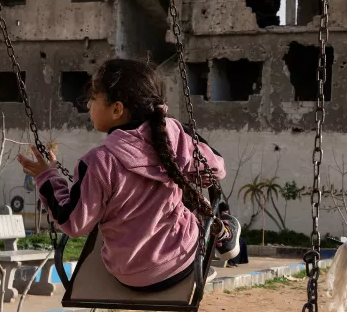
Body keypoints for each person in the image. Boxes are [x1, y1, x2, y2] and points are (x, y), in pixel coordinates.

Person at [17, 59, 227, 291]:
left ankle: (222, 230)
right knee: (194, 201)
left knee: (181, 195)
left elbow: (74, 224)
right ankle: (224, 232)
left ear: (117, 109)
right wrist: (183, 136)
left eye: (93, 98)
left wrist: (46, 176)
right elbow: (216, 170)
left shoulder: (98, 161)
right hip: (183, 263)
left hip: (129, 275)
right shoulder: (174, 135)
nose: (88, 105)